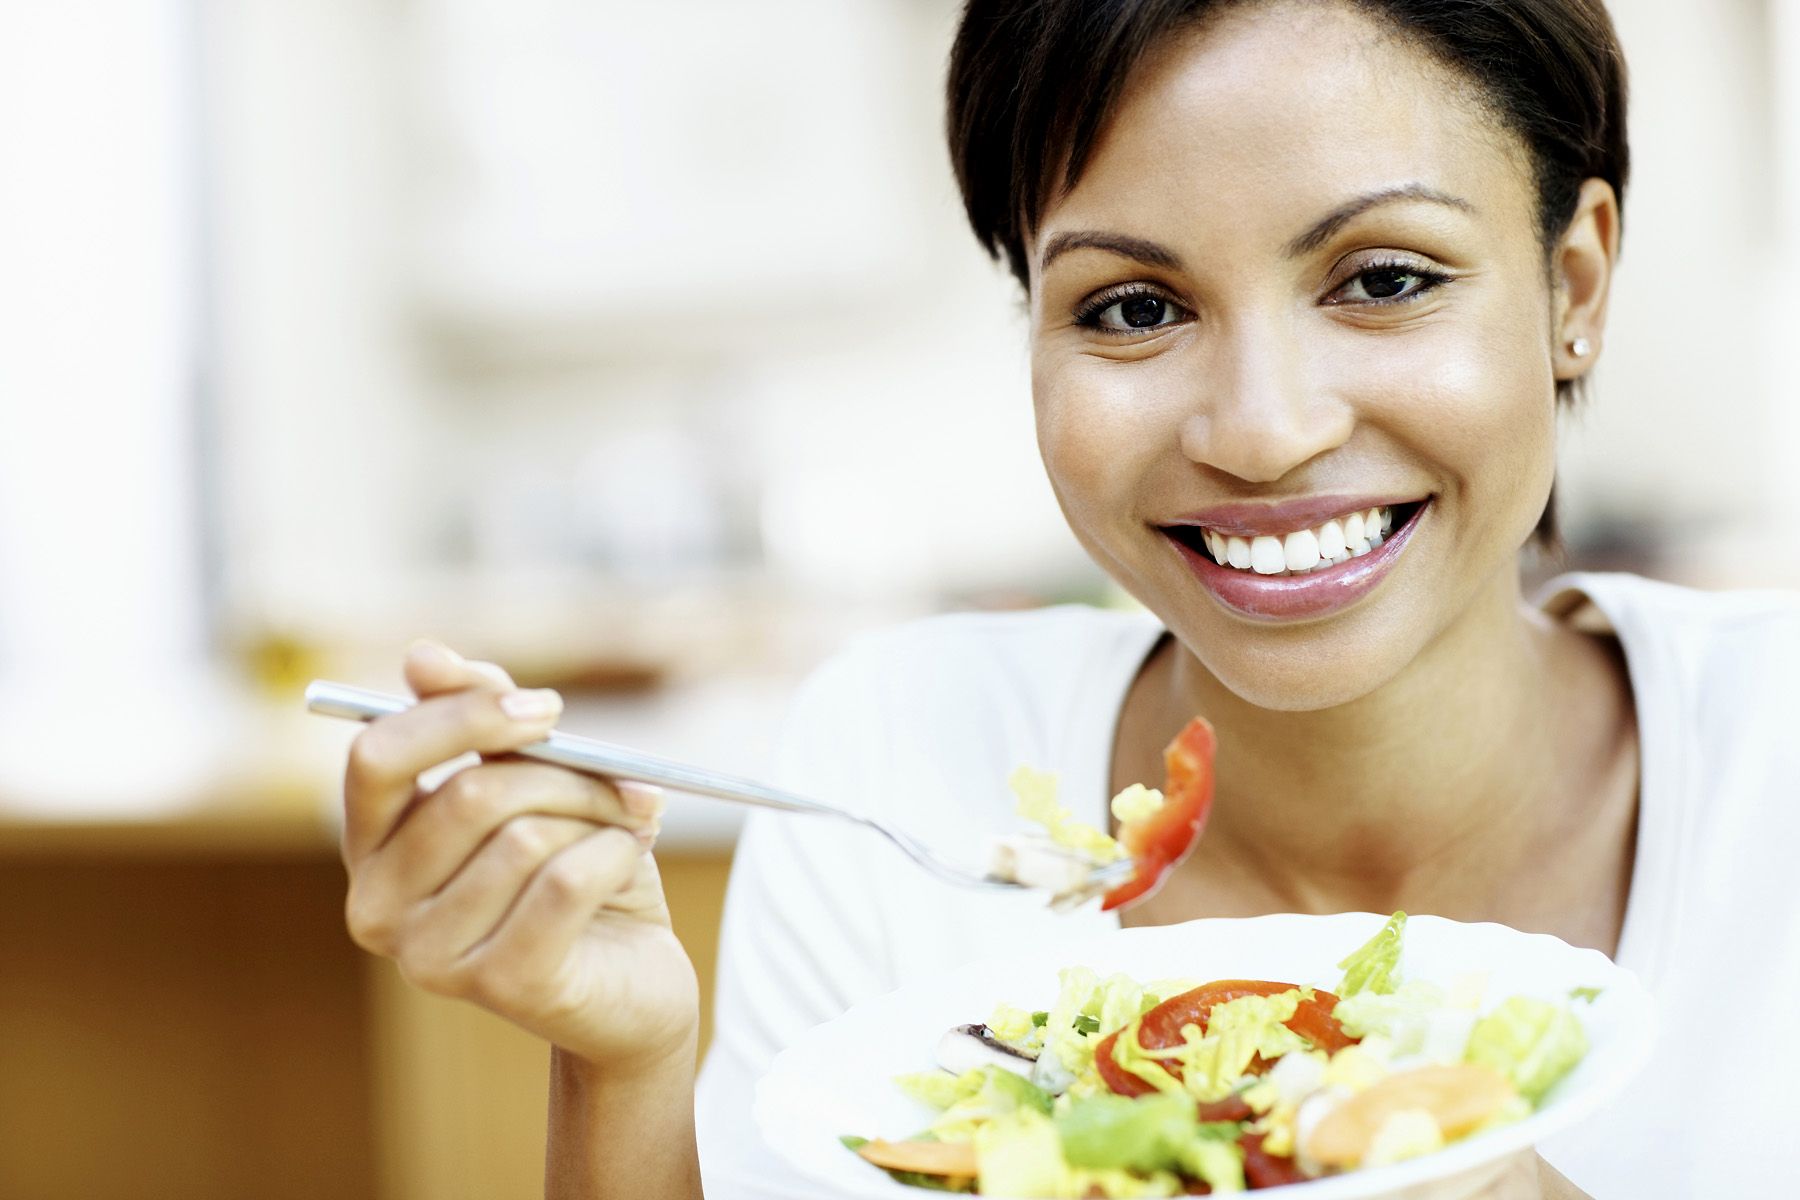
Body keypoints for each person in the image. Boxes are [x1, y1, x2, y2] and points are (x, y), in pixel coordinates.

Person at [335, 1, 1800, 1196]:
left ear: (1574, 282)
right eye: (1134, 308)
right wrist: (626, 1065)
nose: (1262, 428)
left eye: (1384, 278)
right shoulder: (897, 763)